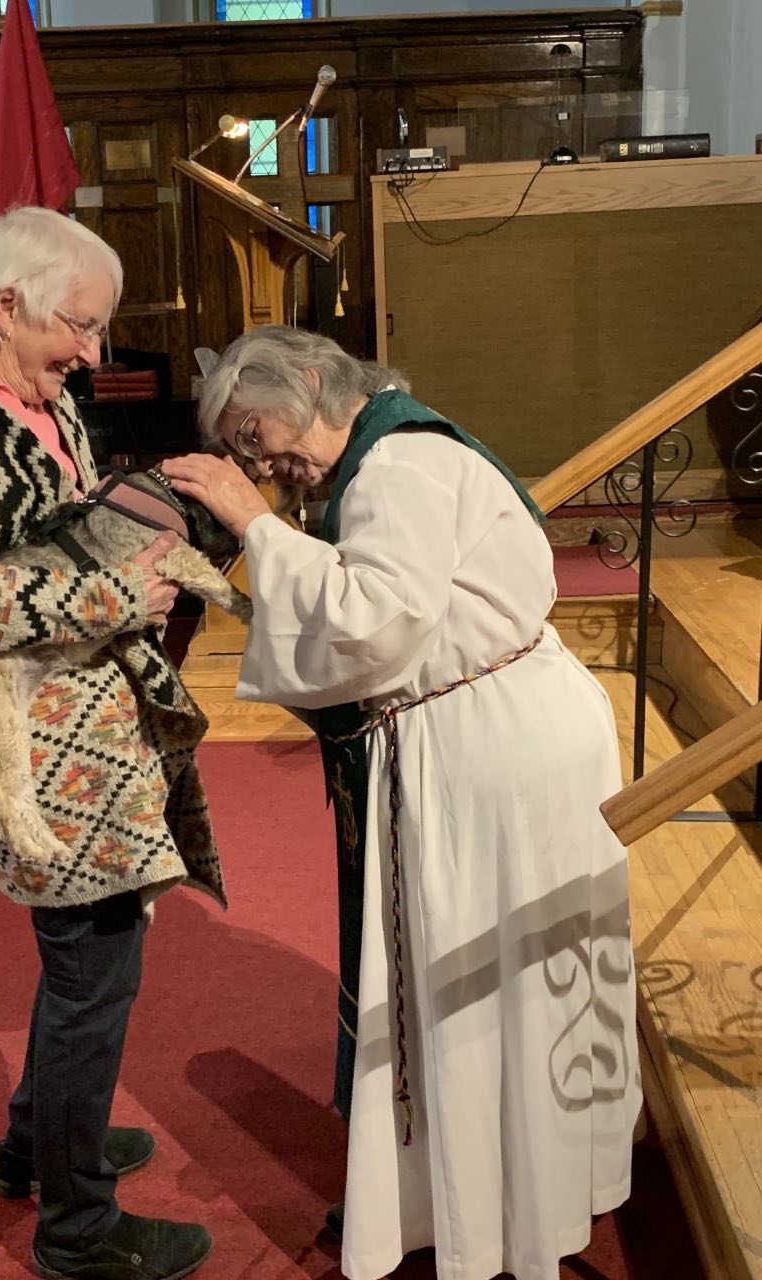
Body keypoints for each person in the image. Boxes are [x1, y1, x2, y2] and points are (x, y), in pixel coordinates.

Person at [161, 325, 642, 1280]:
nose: (263, 464)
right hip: (501, 726)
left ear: (308, 380)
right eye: (244, 452)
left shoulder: (396, 465)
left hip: (492, 748)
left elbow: (374, 620)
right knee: (508, 975)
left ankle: (499, 1203)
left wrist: (256, 527)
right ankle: (506, 1187)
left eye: (255, 435)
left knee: (481, 980)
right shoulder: (388, 450)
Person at [0, 206, 219, 1280]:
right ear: (8, 304)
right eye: (80, 324)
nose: (93, 353)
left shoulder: (40, 392)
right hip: (32, 741)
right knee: (94, 965)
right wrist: (109, 594)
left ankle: (37, 1143)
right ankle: (78, 1230)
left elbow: (46, 530)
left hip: (87, 725)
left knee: (83, 959)